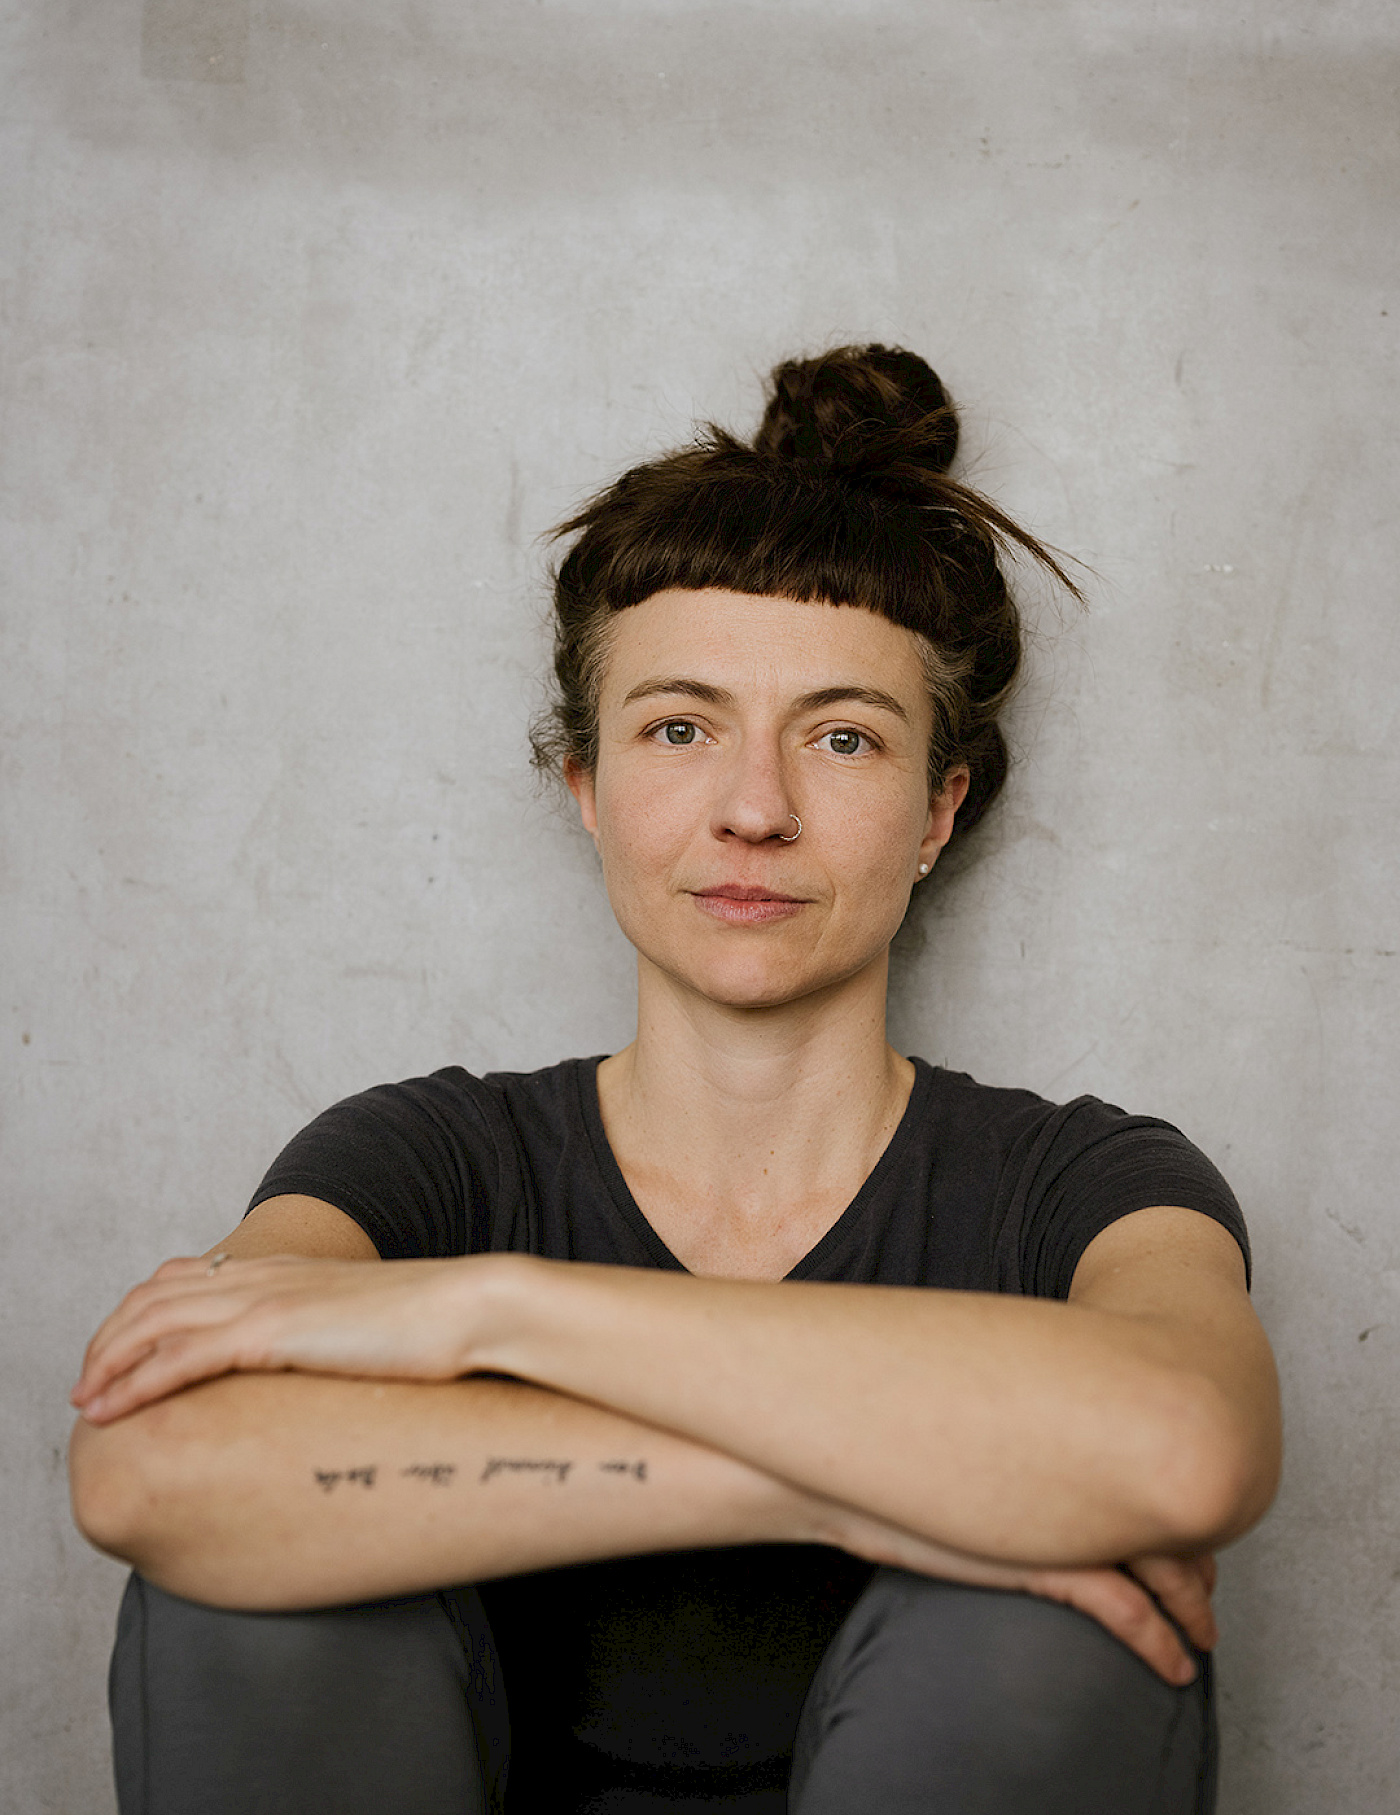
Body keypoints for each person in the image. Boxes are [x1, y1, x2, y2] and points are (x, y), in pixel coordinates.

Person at [69, 344, 1281, 1815]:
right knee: (244, 1589)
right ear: (585, 786)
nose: (756, 809)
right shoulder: (428, 1155)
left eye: (842, 737)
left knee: (1043, 1621)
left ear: (938, 808)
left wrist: (492, 1310)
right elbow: (147, 1479)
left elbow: (1188, 1448)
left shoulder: (1083, 1183)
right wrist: (831, 1485)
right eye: (679, 728)